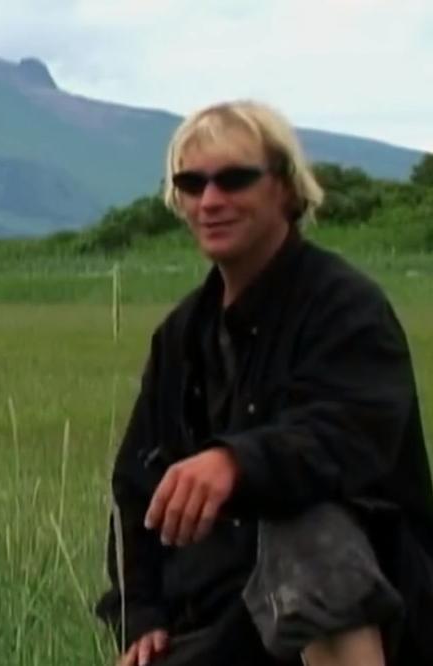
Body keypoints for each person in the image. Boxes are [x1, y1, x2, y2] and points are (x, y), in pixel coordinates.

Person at [95, 100, 433, 666]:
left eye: (234, 179)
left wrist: (235, 462)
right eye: (192, 183)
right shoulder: (181, 336)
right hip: (222, 615)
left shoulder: (345, 308)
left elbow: (347, 435)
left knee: (311, 531)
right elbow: (135, 487)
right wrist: (142, 616)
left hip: (375, 611)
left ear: (284, 188)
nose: (211, 200)